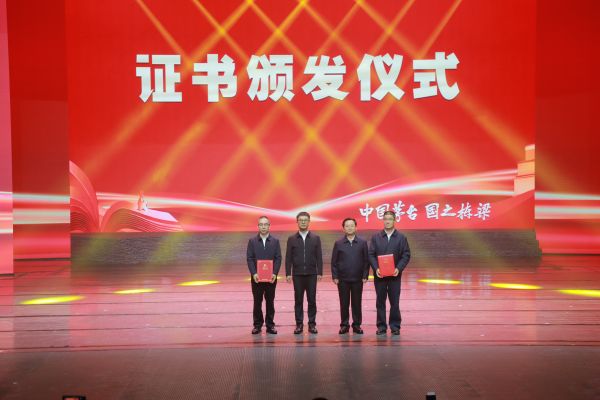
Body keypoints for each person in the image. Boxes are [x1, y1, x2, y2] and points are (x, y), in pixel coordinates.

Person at [368, 210, 411, 335]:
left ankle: (395, 326)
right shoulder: (376, 237)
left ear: (394, 220)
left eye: (390, 219)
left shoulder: (401, 237)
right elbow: (371, 254)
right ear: (383, 220)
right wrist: (376, 268)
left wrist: (399, 268)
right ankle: (381, 326)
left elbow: (406, 255)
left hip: (395, 276)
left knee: (394, 302)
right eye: (385, 219)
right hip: (380, 275)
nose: (387, 221)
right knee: (380, 302)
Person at [285, 211, 323, 334]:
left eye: (305, 220)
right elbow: (288, 257)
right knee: (298, 300)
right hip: (297, 274)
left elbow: (319, 256)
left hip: (312, 274)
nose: (303, 222)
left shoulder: (315, 238)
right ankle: (299, 324)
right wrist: (288, 273)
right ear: (297, 222)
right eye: (300, 220)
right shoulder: (292, 239)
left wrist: (320, 272)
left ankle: (312, 324)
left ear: (309, 222)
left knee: (312, 300)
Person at [331, 217, 369, 334]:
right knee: (344, 303)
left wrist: (365, 275)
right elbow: (334, 261)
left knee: (357, 303)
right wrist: (335, 276)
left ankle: (356, 325)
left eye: (352, 225)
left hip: (358, 278)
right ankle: (344, 325)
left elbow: (366, 260)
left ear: (356, 227)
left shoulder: (362, 243)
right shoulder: (338, 243)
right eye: (347, 226)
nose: (350, 228)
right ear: (343, 228)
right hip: (343, 279)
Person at [246, 216, 282, 335]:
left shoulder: (275, 241)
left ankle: (270, 325)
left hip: (271, 278)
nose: (263, 226)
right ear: (258, 226)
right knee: (257, 302)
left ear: (269, 226)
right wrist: (254, 273)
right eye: (261, 224)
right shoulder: (252, 241)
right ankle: (257, 325)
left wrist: (275, 273)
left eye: (265, 224)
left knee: (270, 302)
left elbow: (278, 258)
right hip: (256, 278)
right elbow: (250, 258)